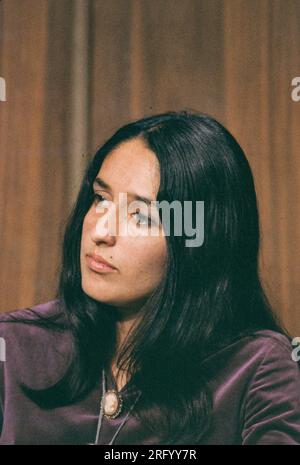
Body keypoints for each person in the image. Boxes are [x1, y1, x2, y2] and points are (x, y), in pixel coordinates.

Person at [0, 110, 300, 445]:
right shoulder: (14, 346)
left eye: (141, 216)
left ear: (199, 240)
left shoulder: (257, 369)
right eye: (100, 199)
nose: (101, 231)